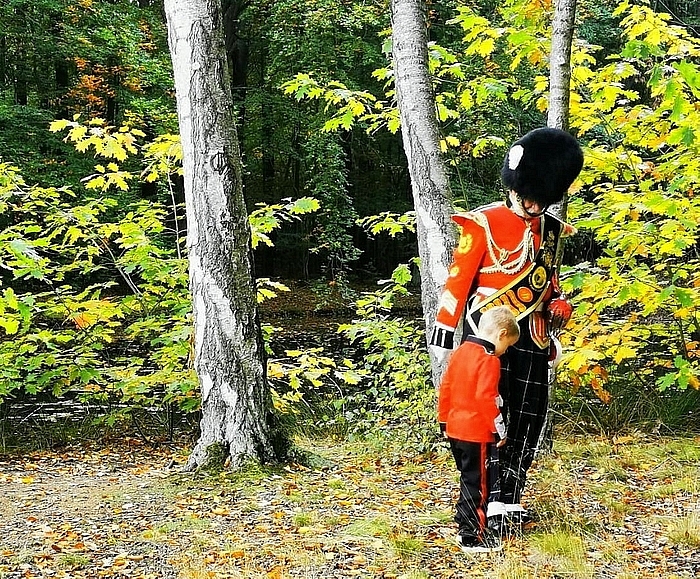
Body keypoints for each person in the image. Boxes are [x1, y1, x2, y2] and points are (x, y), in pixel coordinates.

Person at [430, 127, 583, 523]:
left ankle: (510, 497)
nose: (534, 206)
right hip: (487, 332)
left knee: (529, 416)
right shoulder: (482, 222)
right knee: (489, 414)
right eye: (529, 198)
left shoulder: (551, 230)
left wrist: (559, 302)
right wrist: (445, 327)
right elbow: (458, 279)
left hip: (533, 335)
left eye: (540, 200)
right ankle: (489, 498)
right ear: (515, 188)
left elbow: (549, 282)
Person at [439, 305, 520, 553]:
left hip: (455, 429)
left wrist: (444, 421)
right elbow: (487, 398)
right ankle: (472, 536)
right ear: (502, 334)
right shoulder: (489, 359)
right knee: (479, 485)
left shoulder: (461, 351)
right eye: (507, 345)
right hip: (477, 432)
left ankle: (464, 524)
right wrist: (499, 430)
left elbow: (446, 388)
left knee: (468, 479)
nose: (505, 351)